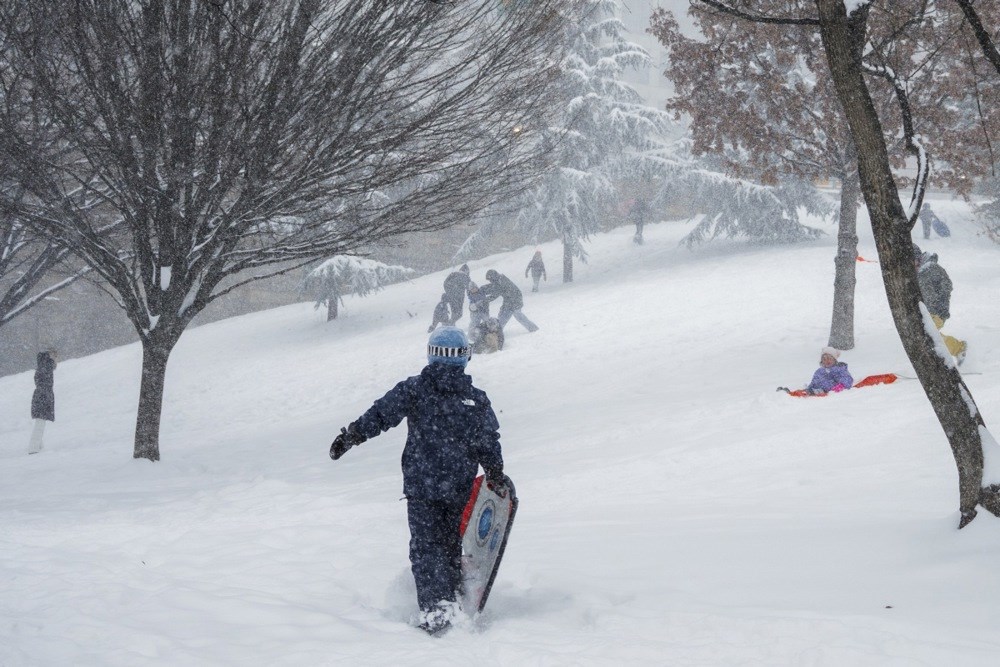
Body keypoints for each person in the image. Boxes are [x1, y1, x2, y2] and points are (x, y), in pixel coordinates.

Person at [329, 327, 505, 636]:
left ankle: (437, 611)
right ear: (466, 357)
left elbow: (381, 414)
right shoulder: (475, 400)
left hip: (422, 486)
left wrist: (352, 435)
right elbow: (487, 441)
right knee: (449, 544)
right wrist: (495, 472)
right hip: (458, 486)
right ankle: (449, 601)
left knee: (426, 549)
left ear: (430, 354)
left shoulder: (415, 389)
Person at [914, 244, 967, 361]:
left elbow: (946, 285)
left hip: (935, 311)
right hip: (931, 311)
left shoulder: (929, 269)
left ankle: (959, 349)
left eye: (912, 262)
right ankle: (958, 349)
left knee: (928, 336)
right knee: (928, 336)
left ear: (917, 258)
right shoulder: (922, 271)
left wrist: (937, 303)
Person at [28, 349, 57, 454]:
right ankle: (34, 448)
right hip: (43, 399)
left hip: (40, 398)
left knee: (40, 423)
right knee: (40, 424)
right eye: (54, 356)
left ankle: (39, 446)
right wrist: (47, 398)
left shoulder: (41, 367)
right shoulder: (46, 367)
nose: (55, 360)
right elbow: (45, 385)